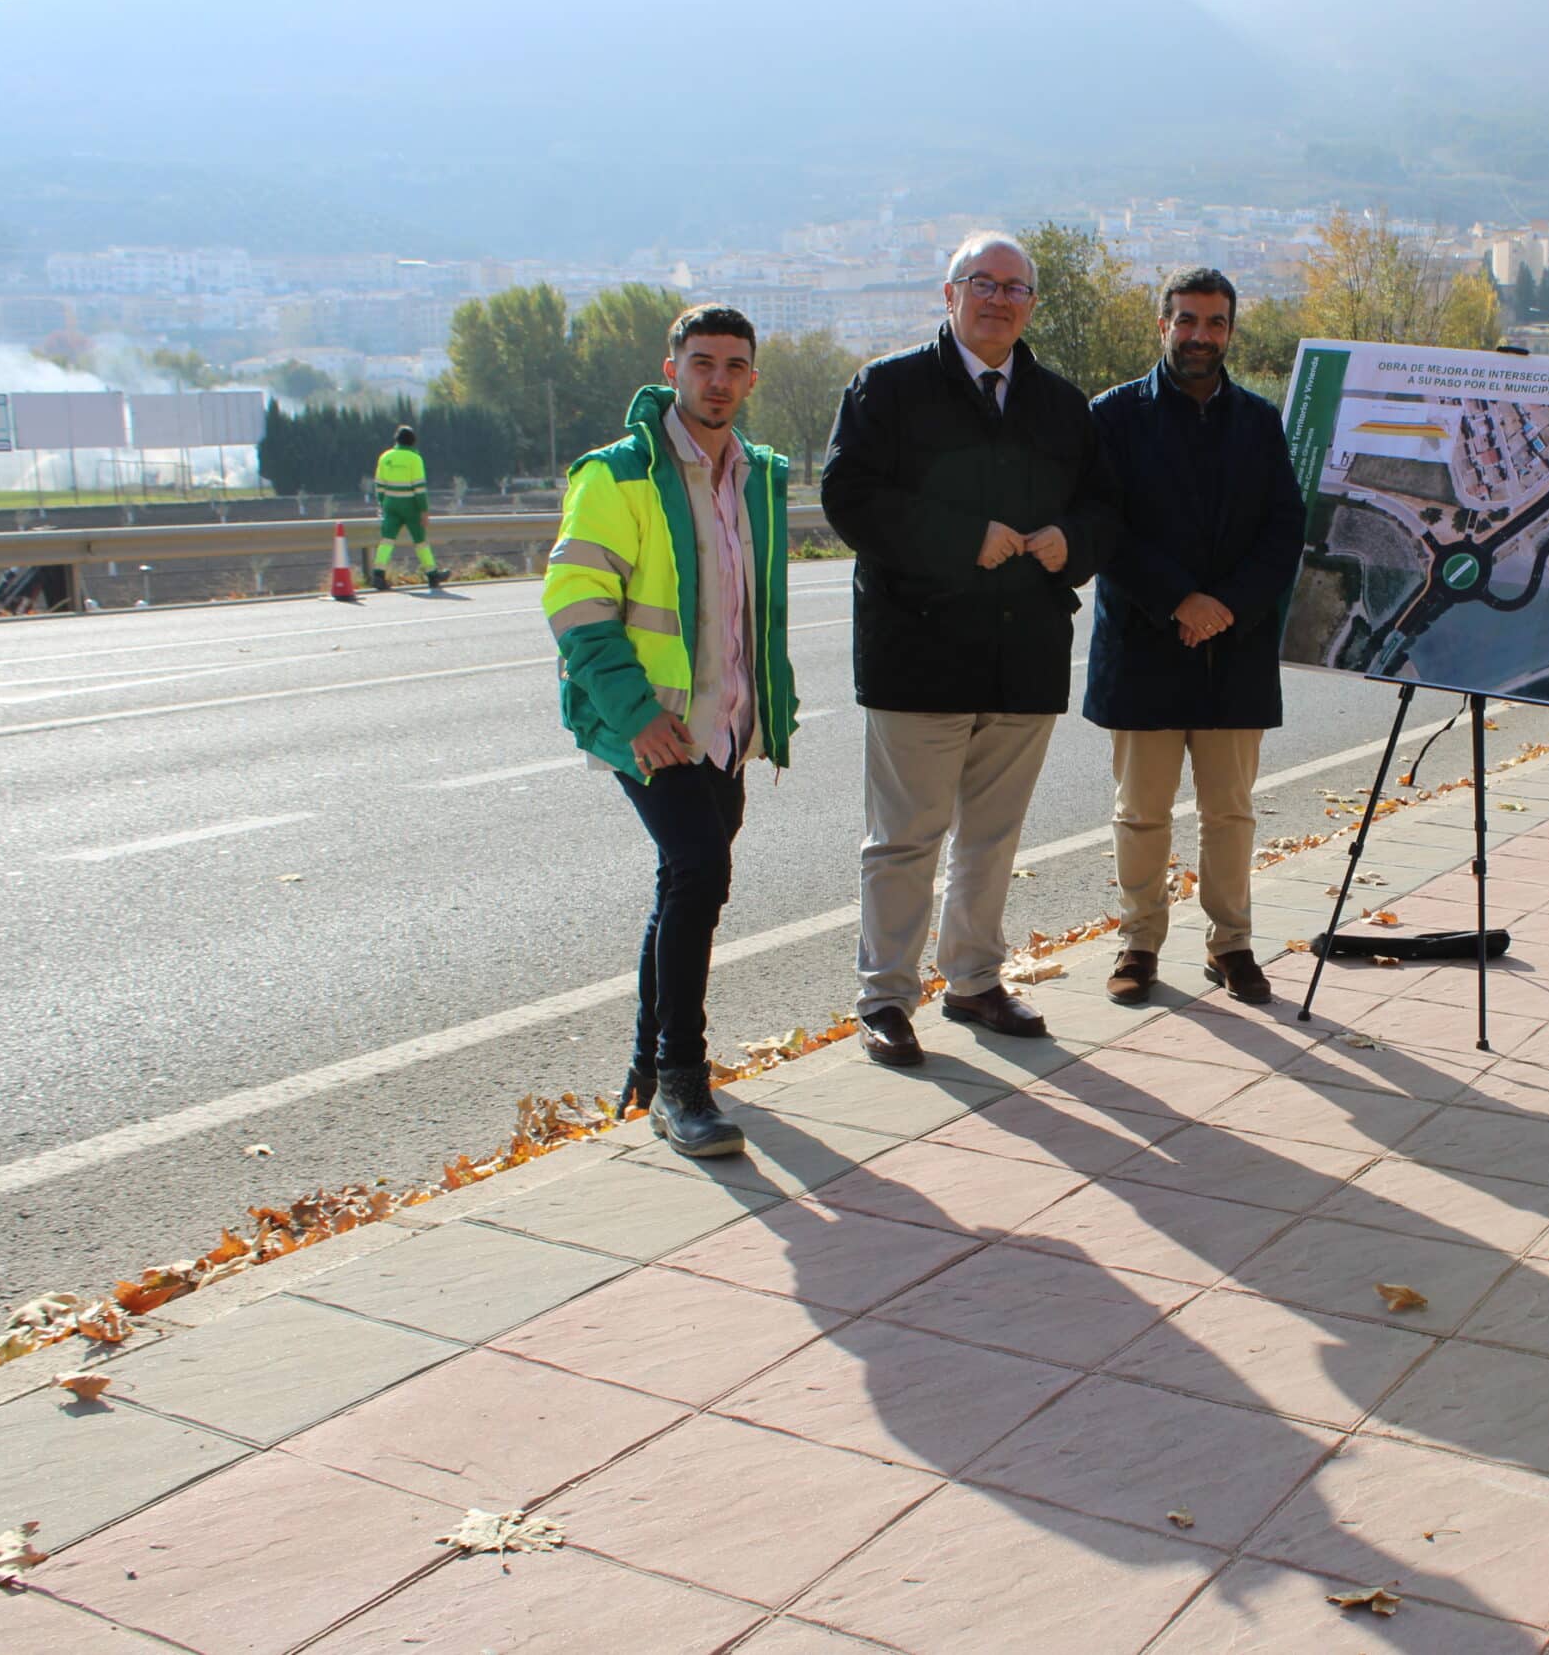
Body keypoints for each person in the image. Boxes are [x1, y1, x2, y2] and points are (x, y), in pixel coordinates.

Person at [821, 232, 1117, 1067]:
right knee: (905, 837)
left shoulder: (1062, 405)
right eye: (980, 283)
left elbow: (1105, 507)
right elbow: (847, 497)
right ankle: (884, 995)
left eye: (1014, 287)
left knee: (994, 835)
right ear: (947, 295)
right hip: (917, 652)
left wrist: (1072, 539)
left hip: (1023, 654)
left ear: (1031, 305)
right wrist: (963, 539)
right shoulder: (888, 388)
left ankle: (976, 981)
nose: (997, 298)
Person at [541, 305, 800, 1156]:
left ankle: (647, 1070)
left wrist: (767, 710)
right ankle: (683, 1082)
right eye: (701, 363)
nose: (717, 379)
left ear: (751, 379)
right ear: (672, 368)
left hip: (723, 724)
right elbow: (576, 604)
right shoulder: (618, 474)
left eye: (733, 365)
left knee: (687, 881)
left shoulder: (757, 474)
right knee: (698, 870)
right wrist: (637, 713)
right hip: (653, 724)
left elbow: (749, 611)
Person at [1086, 267, 1308, 1006]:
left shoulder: (1259, 421)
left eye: (1214, 323)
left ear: (1230, 331)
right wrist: (1179, 600)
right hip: (1146, 644)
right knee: (1141, 813)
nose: (1199, 336)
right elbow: (1103, 531)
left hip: (1233, 650)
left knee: (1231, 812)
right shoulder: (1113, 417)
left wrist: (1224, 608)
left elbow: (1284, 533)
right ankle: (1139, 942)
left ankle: (1231, 944)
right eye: (1185, 321)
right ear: (1162, 327)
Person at [372, 425, 447, 591]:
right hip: (411, 506)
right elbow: (419, 488)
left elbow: (379, 485)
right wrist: (424, 510)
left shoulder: (385, 457)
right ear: (413, 442)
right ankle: (432, 575)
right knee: (420, 541)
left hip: (391, 505)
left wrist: (382, 502)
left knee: (387, 540)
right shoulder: (415, 459)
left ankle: (378, 574)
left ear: (396, 440)